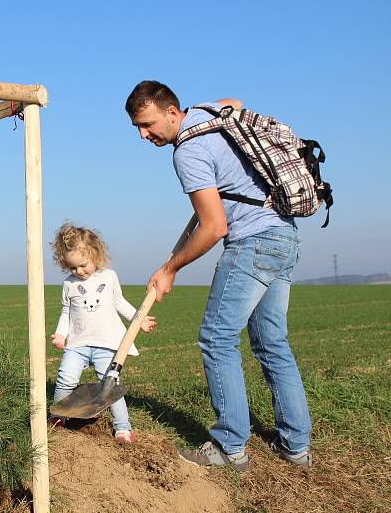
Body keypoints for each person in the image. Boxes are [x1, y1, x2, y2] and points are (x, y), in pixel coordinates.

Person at [125, 80, 312, 471]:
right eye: (137, 129)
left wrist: (169, 268)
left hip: (253, 243)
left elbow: (214, 228)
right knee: (271, 343)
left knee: (216, 338)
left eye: (148, 124)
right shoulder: (210, 112)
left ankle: (229, 447)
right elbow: (236, 100)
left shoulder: (188, 152)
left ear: (172, 112)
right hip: (284, 235)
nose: (144, 135)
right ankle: (296, 448)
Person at [48, 222, 156, 444]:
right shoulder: (69, 284)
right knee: (65, 379)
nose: (78, 271)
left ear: (95, 254)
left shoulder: (109, 277)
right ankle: (58, 416)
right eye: (72, 268)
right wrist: (61, 335)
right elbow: (66, 311)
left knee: (109, 386)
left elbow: (119, 302)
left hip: (106, 344)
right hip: (77, 344)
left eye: (83, 265)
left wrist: (139, 320)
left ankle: (123, 428)